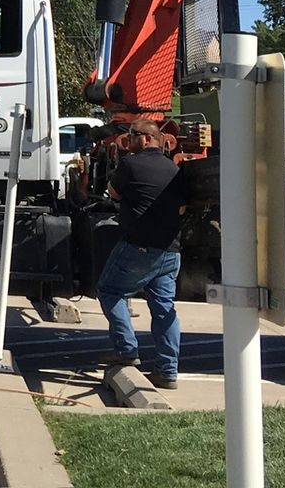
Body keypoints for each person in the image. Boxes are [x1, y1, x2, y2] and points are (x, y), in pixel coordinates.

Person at [96, 126, 187, 390]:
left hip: (139, 247)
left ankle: (127, 350)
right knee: (164, 308)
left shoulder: (130, 164)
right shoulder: (174, 170)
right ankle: (167, 372)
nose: (129, 140)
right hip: (170, 252)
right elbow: (182, 206)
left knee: (109, 290)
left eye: (133, 135)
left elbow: (113, 193)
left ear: (146, 139)